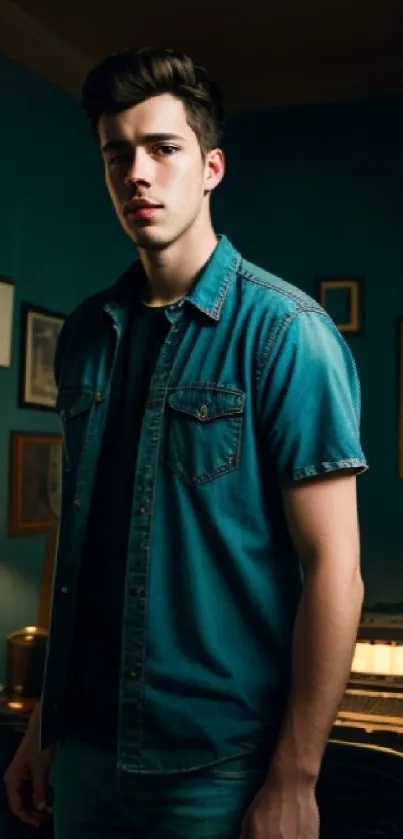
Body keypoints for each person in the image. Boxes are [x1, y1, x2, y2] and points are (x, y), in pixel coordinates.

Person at [4, 47, 367, 839]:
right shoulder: (86, 337)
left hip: (217, 766)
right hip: (86, 750)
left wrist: (295, 778)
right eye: (117, 154)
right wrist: (41, 726)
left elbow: (335, 569)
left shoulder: (285, 334)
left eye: (162, 150)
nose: (137, 173)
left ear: (210, 167)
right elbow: (76, 529)